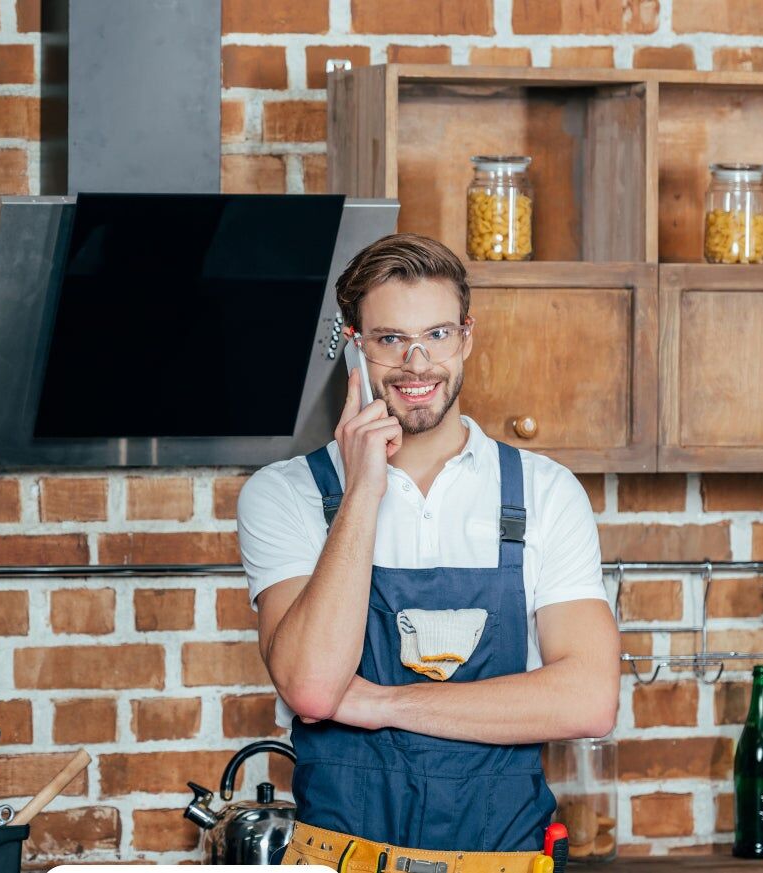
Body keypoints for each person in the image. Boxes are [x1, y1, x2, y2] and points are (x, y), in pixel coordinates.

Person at [236, 233, 620, 870]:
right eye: (390, 339)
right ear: (355, 344)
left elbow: (587, 700)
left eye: (437, 335)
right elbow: (309, 686)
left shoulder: (545, 493)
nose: (417, 363)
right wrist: (362, 488)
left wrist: (378, 702)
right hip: (337, 862)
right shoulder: (287, 494)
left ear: (466, 337)